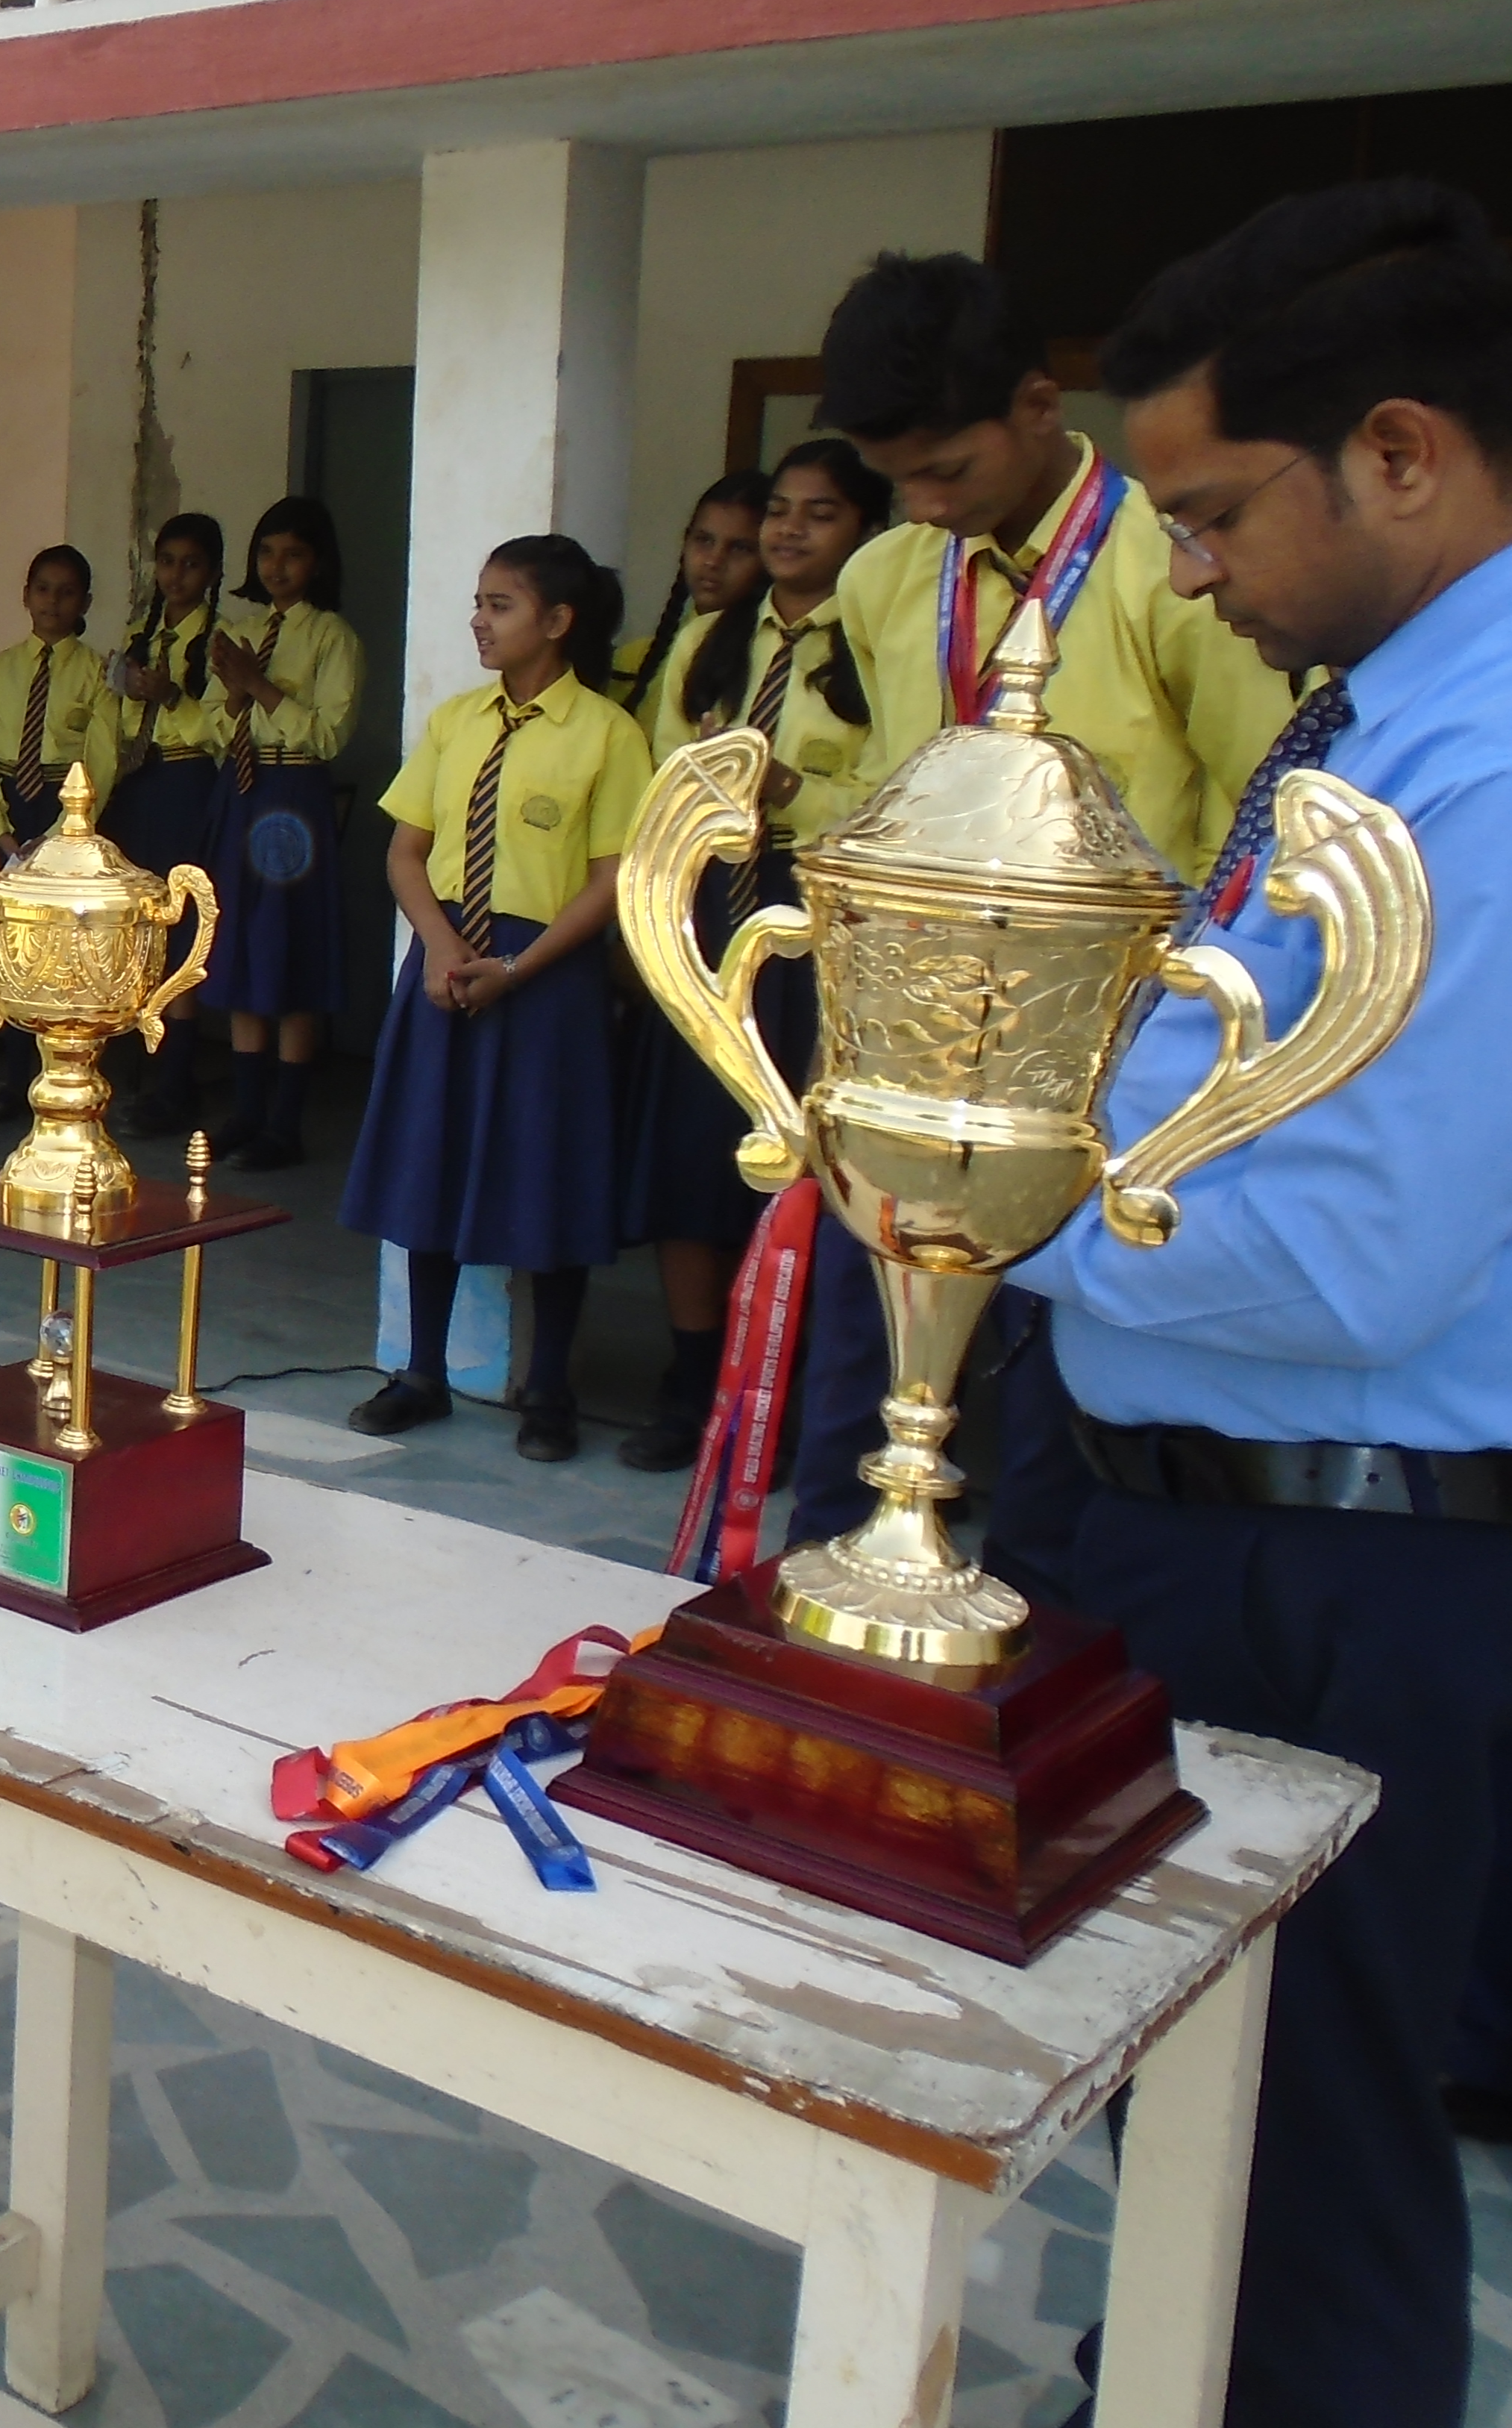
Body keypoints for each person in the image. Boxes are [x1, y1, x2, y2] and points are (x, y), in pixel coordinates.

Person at [1000, 179, 1512, 2428]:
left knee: (1303, 2144)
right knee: (1201, 2103)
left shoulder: (1484, 765)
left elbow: (1352, 1252)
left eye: (1211, 512)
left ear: (1396, 451)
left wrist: (983, 1182)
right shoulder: (1388, 716)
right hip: (1205, 1512)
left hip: (1343, 1543)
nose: (1189, 571)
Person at [784, 250, 1294, 1599]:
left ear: (1035, 401)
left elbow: (1262, 818)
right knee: (855, 1387)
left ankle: (1034, 1657)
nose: (926, 503)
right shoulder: (892, 579)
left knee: (1065, 1404)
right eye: (900, 479)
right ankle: (831, 1623)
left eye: (946, 466)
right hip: (907, 1064)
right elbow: (863, 788)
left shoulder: (1167, 569)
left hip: (1103, 1074)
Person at [612, 441, 886, 1468]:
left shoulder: (876, 649)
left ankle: (793, 1391)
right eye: (781, 509)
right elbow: (658, 779)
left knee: (801, 1163)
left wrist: (796, 801)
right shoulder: (709, 644)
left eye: (821, 514)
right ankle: (693, 1383)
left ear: (865, 531)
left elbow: (908, 787)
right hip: (710, 920)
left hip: (820, 925)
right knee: (694, 1159)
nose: (788, 531)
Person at [341, 535, 645, 1462]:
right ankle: (422, 1371)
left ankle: (549, 1386)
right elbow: (404, 849)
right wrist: (439, 947)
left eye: (501, 605)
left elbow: (610, 875)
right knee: (426, 1161)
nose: (479, 619)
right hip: (446, 959)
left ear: (557, 621)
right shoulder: (457, 720)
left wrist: (519, 968)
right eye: (478, 601)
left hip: (542, 972)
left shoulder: (606, 733)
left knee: (543, 1173)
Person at [199, 496, 367, 1171]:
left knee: (289, 947)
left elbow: (327, 734)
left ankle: (286, 1121)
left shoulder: (333, 637)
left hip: (293, 793)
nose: (277, 566)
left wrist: (259, 686)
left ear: (317, 562)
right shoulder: (239, 628)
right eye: (267, 552)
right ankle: (247, 1109)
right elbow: (212, 722)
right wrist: (234, 693)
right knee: (241, 944)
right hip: (239, 790)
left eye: (293, 554)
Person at [0, 544, 119, 1121]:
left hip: (65, 820)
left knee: (63, 958)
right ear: (26, 595)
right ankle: (11, 1080)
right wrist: (4, 838)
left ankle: (67, 1073)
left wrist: (55, 839)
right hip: (8, 817)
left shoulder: (98, 672)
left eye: (67, 592)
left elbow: (100, 759)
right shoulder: (1, 670)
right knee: (12, 953)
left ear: (86, 603)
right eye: (43, 589)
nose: (53, 602)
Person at [101, 511, 229, 1136]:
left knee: (181, 934)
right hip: (137, 783)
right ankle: (135, 1071)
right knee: (135, 931)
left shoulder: (223, 638)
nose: (177, 575)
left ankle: (176, 1083)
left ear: (212, 573)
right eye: (168, 561)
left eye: (192, 564)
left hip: (187, 782)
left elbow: (225, 729)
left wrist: (174, 697)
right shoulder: (139, 633)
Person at [614, 472, 771, 728]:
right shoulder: (632, 660)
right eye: (704, 540)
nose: (713, 561)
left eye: (740, 548)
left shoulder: (770, 660)